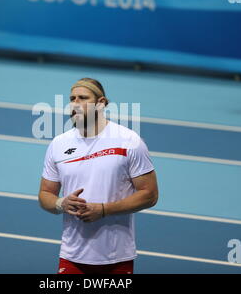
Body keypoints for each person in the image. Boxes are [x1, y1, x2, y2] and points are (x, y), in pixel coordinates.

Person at [38, 77, 159, 274]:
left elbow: (150, 195)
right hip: (72, 256)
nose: (75, 104)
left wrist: (104, 210)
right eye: (72, 98)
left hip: (116, 258)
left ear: (101, 103)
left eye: (83, 98)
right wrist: (62, 203)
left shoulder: (129, 141)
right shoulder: (58, 144)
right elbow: (45, 195)